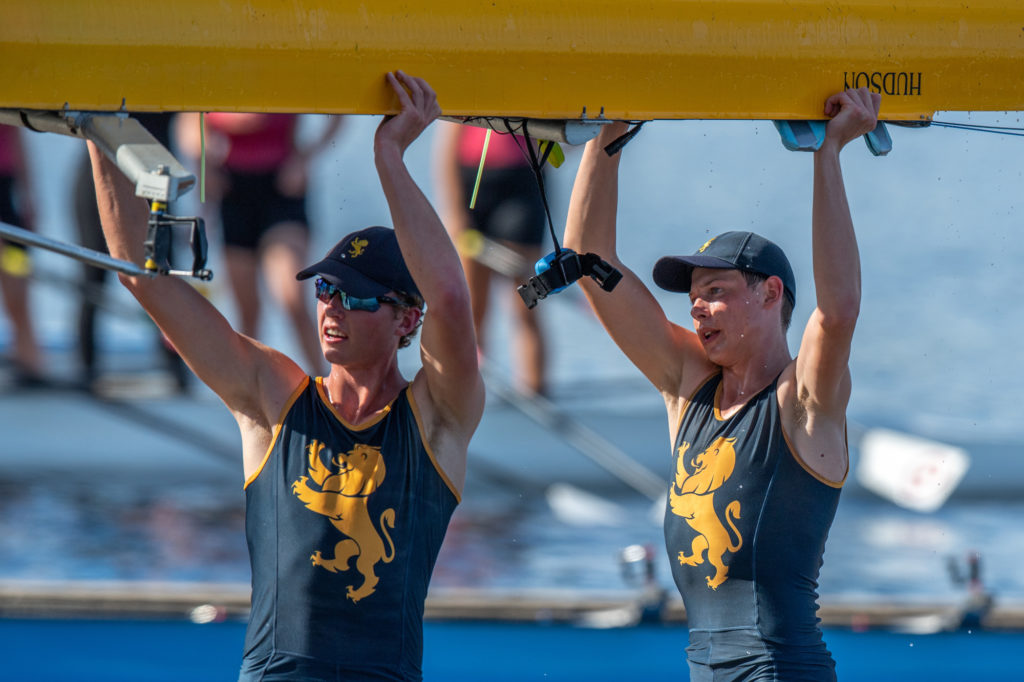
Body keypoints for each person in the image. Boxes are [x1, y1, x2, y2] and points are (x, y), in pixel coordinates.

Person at [88, 72, 484, 681]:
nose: (330, 308)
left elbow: (452, 300)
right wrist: (95, 122)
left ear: (407, 319)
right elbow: (144, 278)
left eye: (355, 297)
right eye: (326, 289)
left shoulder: (437, 417)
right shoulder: (273, 396)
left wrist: (389, 155)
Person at [563, 88, 880, 680]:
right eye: (692, 300)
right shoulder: (686, 389)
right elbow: (587, 257)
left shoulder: (802, 401)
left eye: (715, 293)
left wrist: (828, 154)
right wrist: (609, 132)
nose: (698, 311)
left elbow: (839, 313)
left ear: (770, 294)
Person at [176, 111, 342, 376]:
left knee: (291, 296)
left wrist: (306, 157)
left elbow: (339, 113)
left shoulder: (286, 72)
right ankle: (252, 394)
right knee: (247, 312)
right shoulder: (218, 73)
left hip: (281, 187)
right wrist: (204, 168)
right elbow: (189, 121)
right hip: (233, 189)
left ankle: (327, 383)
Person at [72, 113, 190, 392]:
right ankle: (86, 366)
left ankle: (176, 364)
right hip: (99, 181)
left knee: (162, 275)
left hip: (157, 181)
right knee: (92, 275)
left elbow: (191, 127)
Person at [435, 123, 548, 395]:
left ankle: (536, 394)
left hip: (522, 182)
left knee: (526, 303)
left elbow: (564, 140)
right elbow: (445, 149)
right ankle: (465, 396)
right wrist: (454, 212)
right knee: (473, 307)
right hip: (473, 183)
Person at [0, 124, 44, 386]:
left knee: (18, 274)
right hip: (9, 192)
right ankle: (27, 353)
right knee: (16, 275)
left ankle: (29, 354)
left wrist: (29, 196)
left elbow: (19, 143)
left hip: (6, 192)